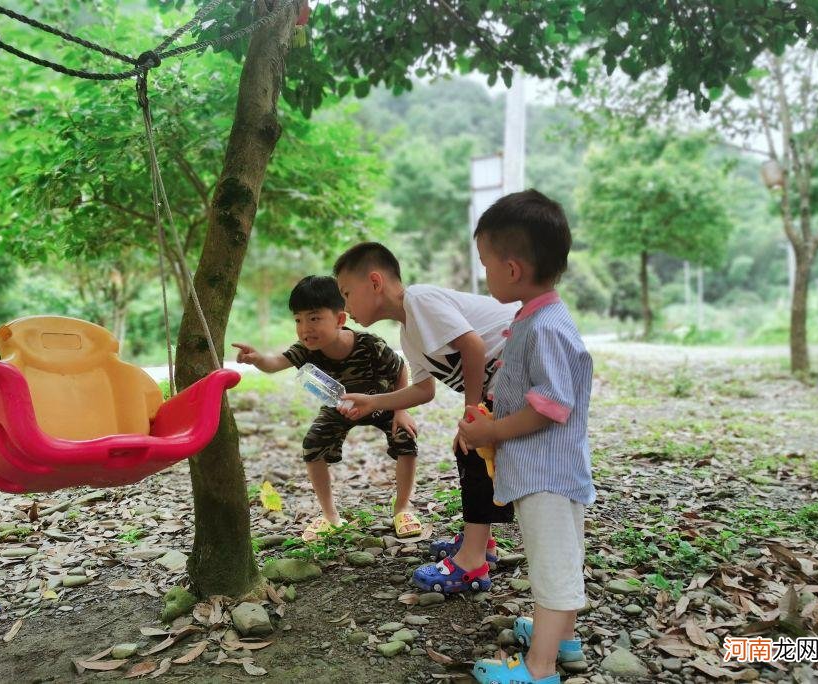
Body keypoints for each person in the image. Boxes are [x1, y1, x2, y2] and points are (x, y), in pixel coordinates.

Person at [458, 189, 594, 684]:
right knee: (562, 558)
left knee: (553, 569)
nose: (485, 274)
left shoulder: (546, 327)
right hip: (549, 470)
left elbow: (552, 406)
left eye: (486, 264)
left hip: (548, 476)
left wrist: (492, 429)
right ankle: (563, 640)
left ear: (512, 269)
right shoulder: (533, 318)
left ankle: (539, 670)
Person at [333, 243, 519, 594]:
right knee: (472, 450)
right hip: (503, 381)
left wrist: (471, 411)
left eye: (346, 293)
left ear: (375, 282)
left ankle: (472, 562)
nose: (345, 307)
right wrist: (372, 401)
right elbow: (423, 390)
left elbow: (474, 346)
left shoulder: (419, 300)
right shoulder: (409, 332)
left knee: (473, 448)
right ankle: (481, 543)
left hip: (520, 366)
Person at [232, 275, 422, 541]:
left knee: (405, 437)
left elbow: (401, 369)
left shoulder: (370, 345)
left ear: (340, 319)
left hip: (381, 401)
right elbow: (275, 363)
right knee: (313, 444)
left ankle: (402, 508)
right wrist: (257, 358)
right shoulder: (305, 350)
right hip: (340, 406)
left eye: (314, 318)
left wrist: (401, 411)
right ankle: (330, 516)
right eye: (298, 320)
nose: (304, 328)